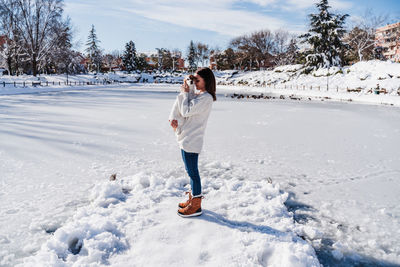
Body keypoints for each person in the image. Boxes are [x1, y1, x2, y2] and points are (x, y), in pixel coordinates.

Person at [169, 67, 217, 218]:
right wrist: (187, 88)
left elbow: (186, 111)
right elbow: (187, 105)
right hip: (187, 137)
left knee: (193, 173)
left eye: (198, 80)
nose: (195, 83)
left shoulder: (206, 98)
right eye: (194, 80)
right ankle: (193, 199)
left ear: (206, 81)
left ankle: (196, 206)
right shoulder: (199, 95)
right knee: (190, 172)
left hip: (192, 140)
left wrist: (184, 93)